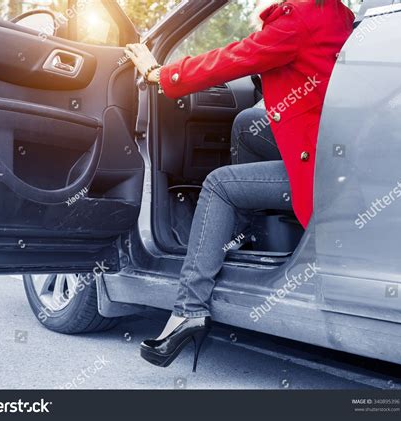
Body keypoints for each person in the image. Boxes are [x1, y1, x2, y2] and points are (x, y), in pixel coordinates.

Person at [125, 0, 355, 372]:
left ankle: (189, 310)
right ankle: (239, 234)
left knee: (218, 185)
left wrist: (161, 74)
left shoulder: (296, 19)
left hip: (318, 173)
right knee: (249, 125)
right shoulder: (335, 12)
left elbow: (236, 57)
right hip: (331, 149)